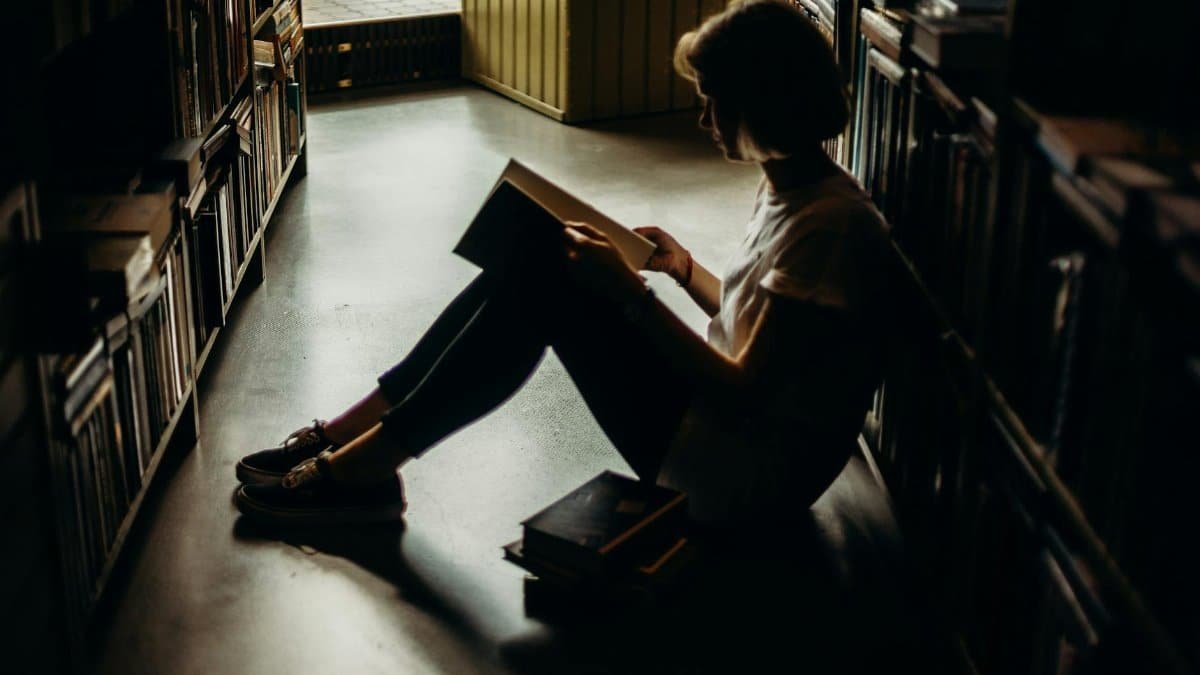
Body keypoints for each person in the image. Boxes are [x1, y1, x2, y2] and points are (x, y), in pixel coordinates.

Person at [233, 0, 890, 528]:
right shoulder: (794, 185)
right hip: (721, 432)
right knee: (537, 254)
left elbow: (746, 385)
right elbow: (763, 332)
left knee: (548, 278)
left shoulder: (829, 224)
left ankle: (360, 466)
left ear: (766, 101)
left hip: (739, 477)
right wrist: (685, 269)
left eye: (715, 99)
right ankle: (358, 438)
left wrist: (632, 296)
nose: (702, 116)